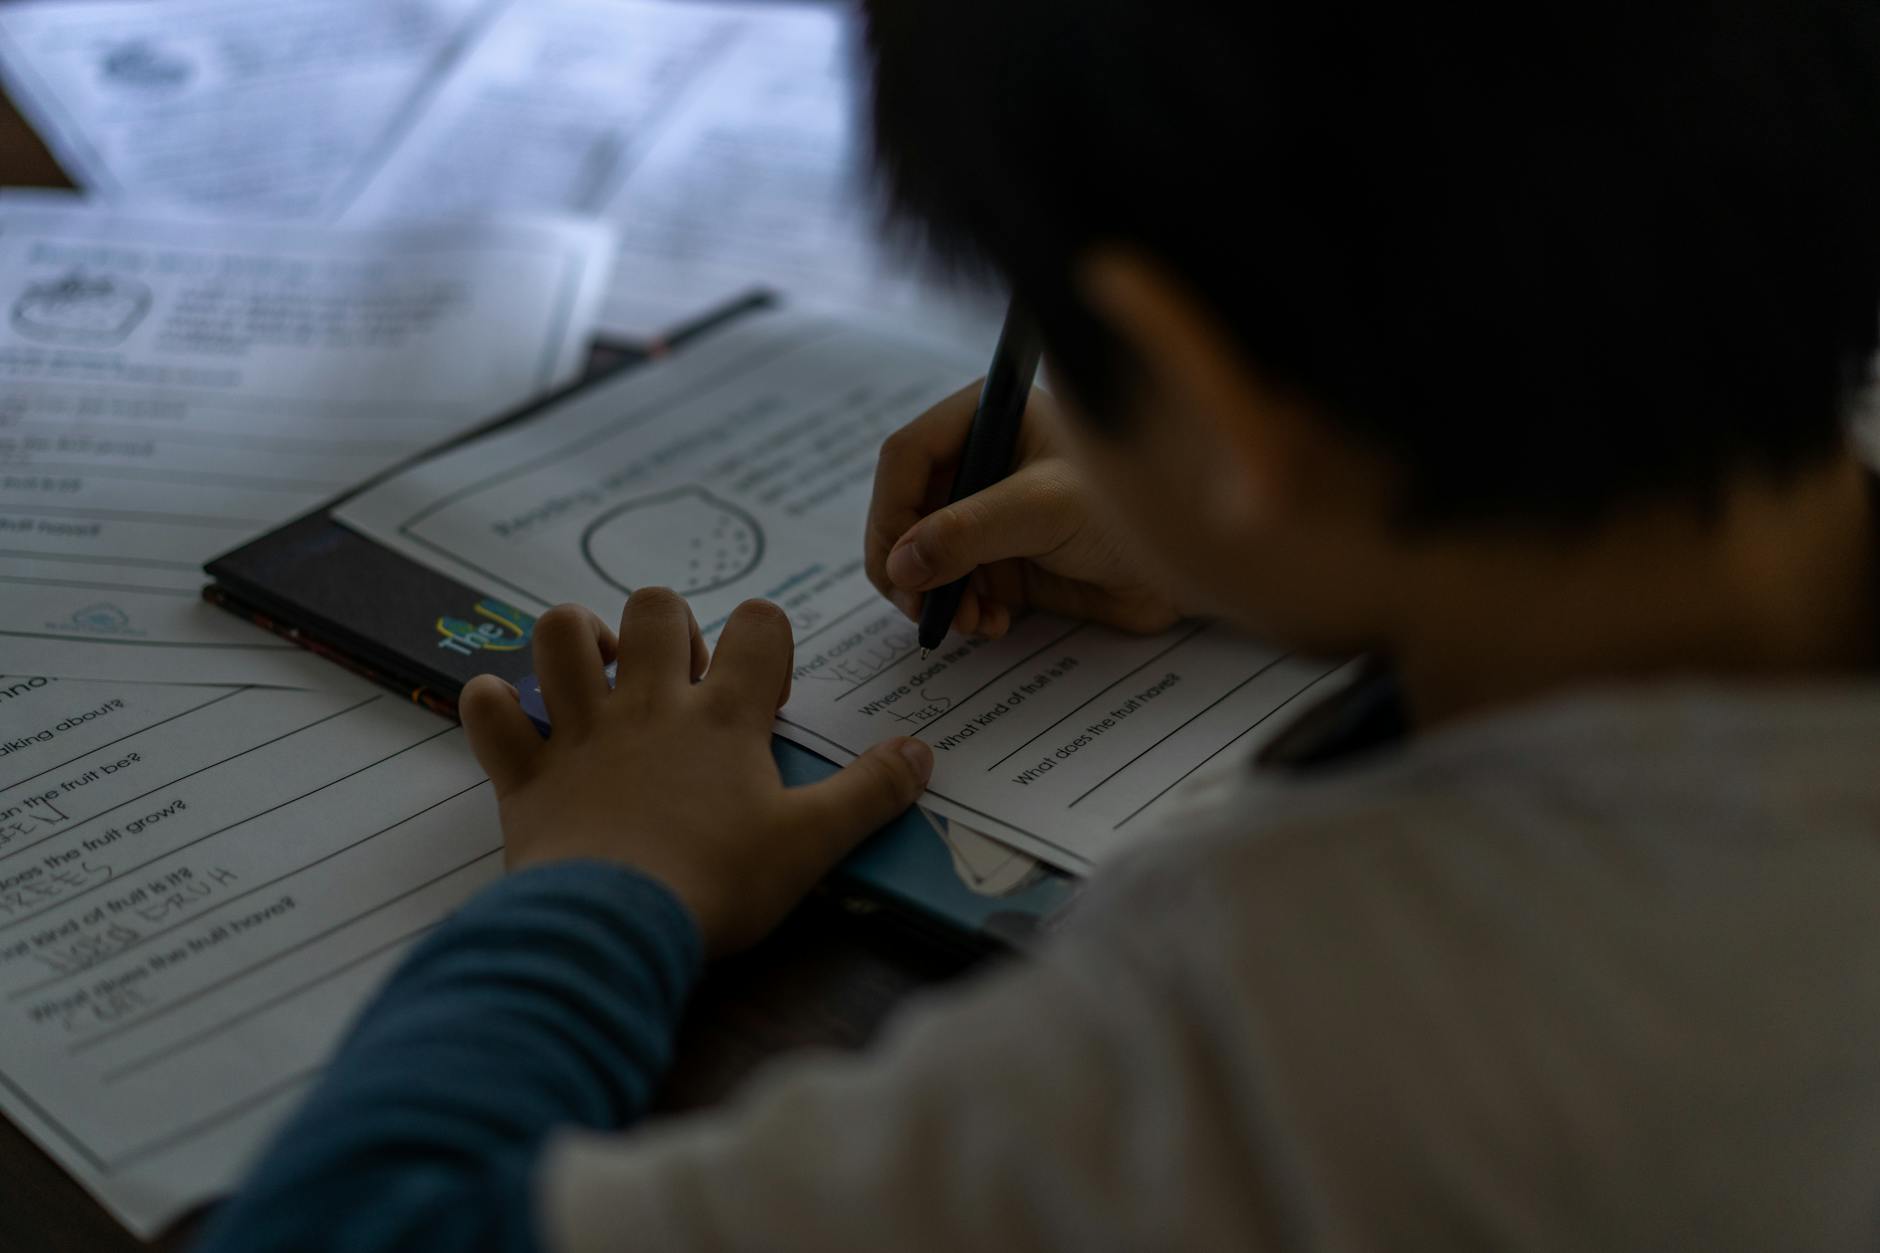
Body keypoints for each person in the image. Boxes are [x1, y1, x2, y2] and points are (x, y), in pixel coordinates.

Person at [197, 1, 1880, 1249]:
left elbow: (350, 1226)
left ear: (1215, 400)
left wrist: (603, 883)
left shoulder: (1280, 1025)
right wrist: (1254, 529)